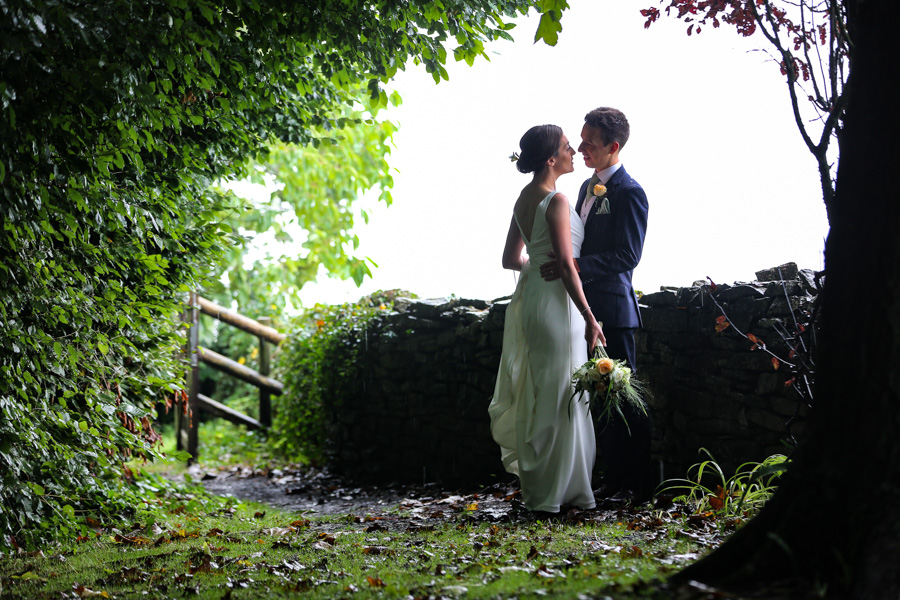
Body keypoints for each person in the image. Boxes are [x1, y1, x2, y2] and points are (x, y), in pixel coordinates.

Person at [488, 124, 605, 513]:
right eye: (568, 147)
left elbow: (510, 260)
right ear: (551, 159)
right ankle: (555, 493)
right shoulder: (555, 200)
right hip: (558, 305)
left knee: (543, 391)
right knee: (561, 394)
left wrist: (537, 267)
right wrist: (591, 318)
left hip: (535, 298)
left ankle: (548, 488)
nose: (575, 151)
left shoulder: (523, 197)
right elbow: (569, 269)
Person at [540, 107, 652, 503]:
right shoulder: (587, 188)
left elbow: (627, 255)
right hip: (584, 309)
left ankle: (639, 485)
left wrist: (574, 266)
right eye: (581, 138)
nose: (581, 146)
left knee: (625, 399)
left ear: (613, 146)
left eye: (590, 142)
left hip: (614, 310)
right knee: (598, 397)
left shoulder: (631, 192)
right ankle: (614, 478)